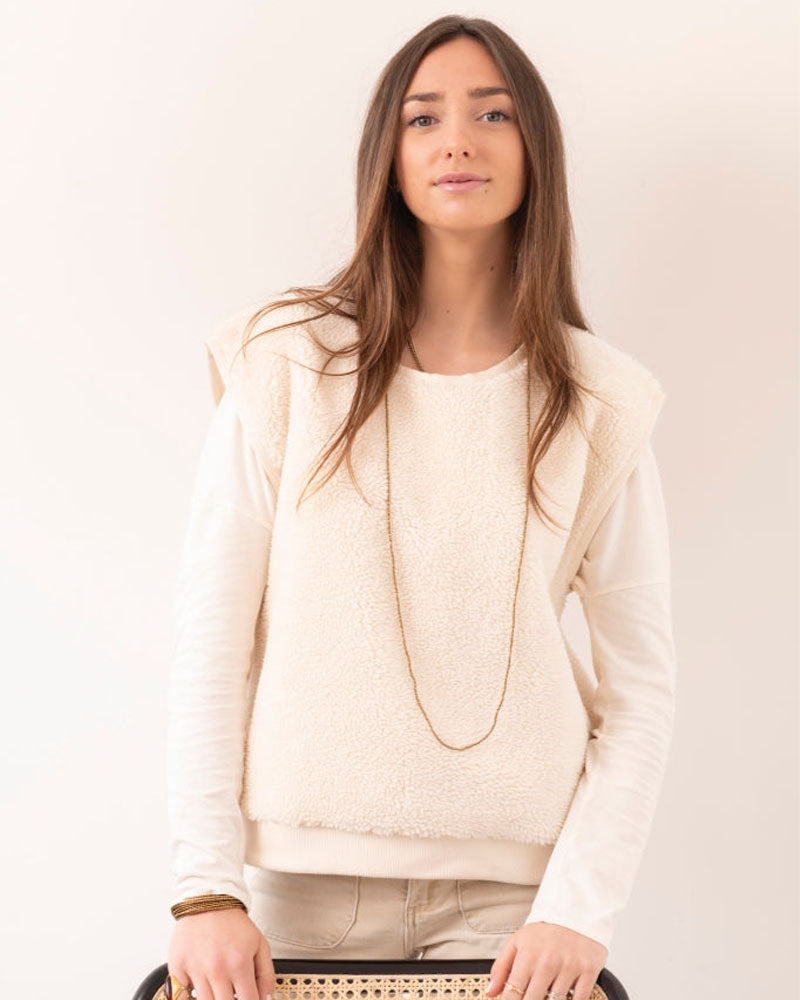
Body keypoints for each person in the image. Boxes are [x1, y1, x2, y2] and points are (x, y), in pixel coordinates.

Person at [165, 15, 676, 1000]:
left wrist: (579, 907)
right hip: (305, 895)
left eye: (493, 113)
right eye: (422, 117)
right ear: (388, 159)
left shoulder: (597, 401)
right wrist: (204, 891)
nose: (456, 141)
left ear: (535, 149)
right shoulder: (287, 363)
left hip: (517, 911)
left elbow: (641, 687)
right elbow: (211, 639)